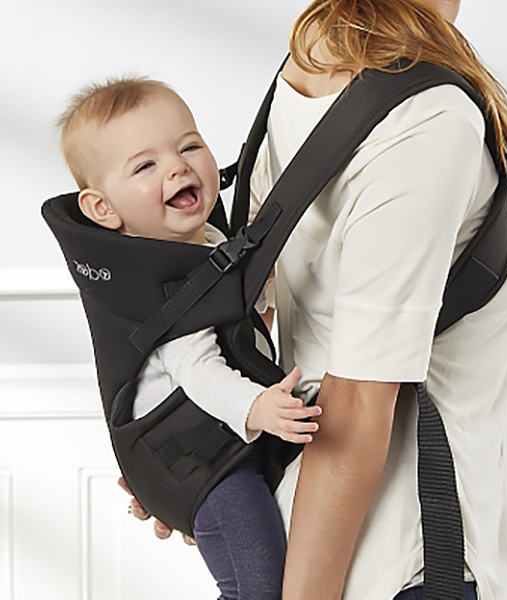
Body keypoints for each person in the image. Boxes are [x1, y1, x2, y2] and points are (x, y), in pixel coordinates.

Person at [124, 1, 507, 598]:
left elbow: (254, 305)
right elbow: (355, 398)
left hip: (299, 530)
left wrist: (204, 479)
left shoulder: (310, 63)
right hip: (407, 559)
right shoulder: (428, 118)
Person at [57, 76, 322, 600]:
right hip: (204, 463)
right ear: (103, 208)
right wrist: (257, 408)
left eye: (189, 146)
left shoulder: (209, 241)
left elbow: (242, 313)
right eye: (145, 166)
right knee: (259, 587)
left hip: (221, 441)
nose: (177, 167)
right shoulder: (162, 283)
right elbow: (197, 369)